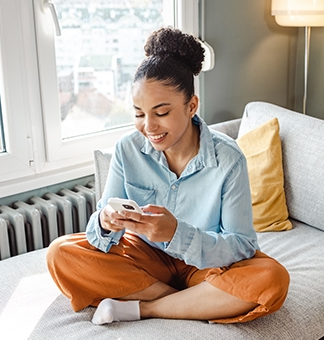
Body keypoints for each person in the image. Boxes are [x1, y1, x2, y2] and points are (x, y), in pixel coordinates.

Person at [46, 27, 290, 325]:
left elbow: (241, 245)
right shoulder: (127, 149)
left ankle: (144, 308)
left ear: (191, 106)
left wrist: (177, 234)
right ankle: (195, 302)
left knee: (271, 279)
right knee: (61, 253)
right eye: (138, 114)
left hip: (205, 264)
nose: (148, 126)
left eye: (161, 113)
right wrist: (105, 222)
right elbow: (100, 233)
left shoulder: (228, 158)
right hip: (146, 260)